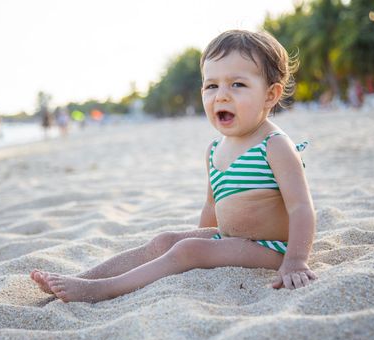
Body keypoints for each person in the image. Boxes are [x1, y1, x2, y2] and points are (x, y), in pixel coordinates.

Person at [30, 29, 317, 303]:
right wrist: (204, 246)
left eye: (237, 84)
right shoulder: (215, 149)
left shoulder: (275, 145)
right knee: (165, 240)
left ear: (270, 94)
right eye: (211, 86)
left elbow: (301, 208)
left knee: (188, 249)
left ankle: (102, 290)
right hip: (232, 239)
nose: (222, 95)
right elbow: (211, 208)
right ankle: (83, 278)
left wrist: (295, 261)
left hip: (272, 249)